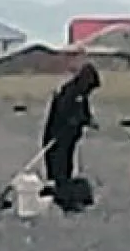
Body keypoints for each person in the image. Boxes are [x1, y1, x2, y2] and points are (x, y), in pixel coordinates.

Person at [42, 63, 101, 212]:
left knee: (67, 167)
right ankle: (64, 201)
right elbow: (64, 113)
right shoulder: (69, 91)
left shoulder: (80, 93)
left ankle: (66, 197)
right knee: (58, 169)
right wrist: (76, 120)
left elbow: (83, 111)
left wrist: (88, 120)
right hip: (57, 137)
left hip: (69, 139)